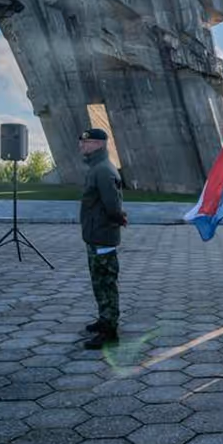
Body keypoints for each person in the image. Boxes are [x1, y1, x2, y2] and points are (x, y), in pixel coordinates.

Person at [78, 128, 128, 350]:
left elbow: (113, 206)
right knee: (98, 281)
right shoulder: (96, 168)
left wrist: (119, 218)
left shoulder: (104, 170)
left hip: (103, 238)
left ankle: (110, 330)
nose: (82, 145)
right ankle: (103, 318)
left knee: (106, 283)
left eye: (86, 142)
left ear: (98, 144)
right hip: (95, 236)